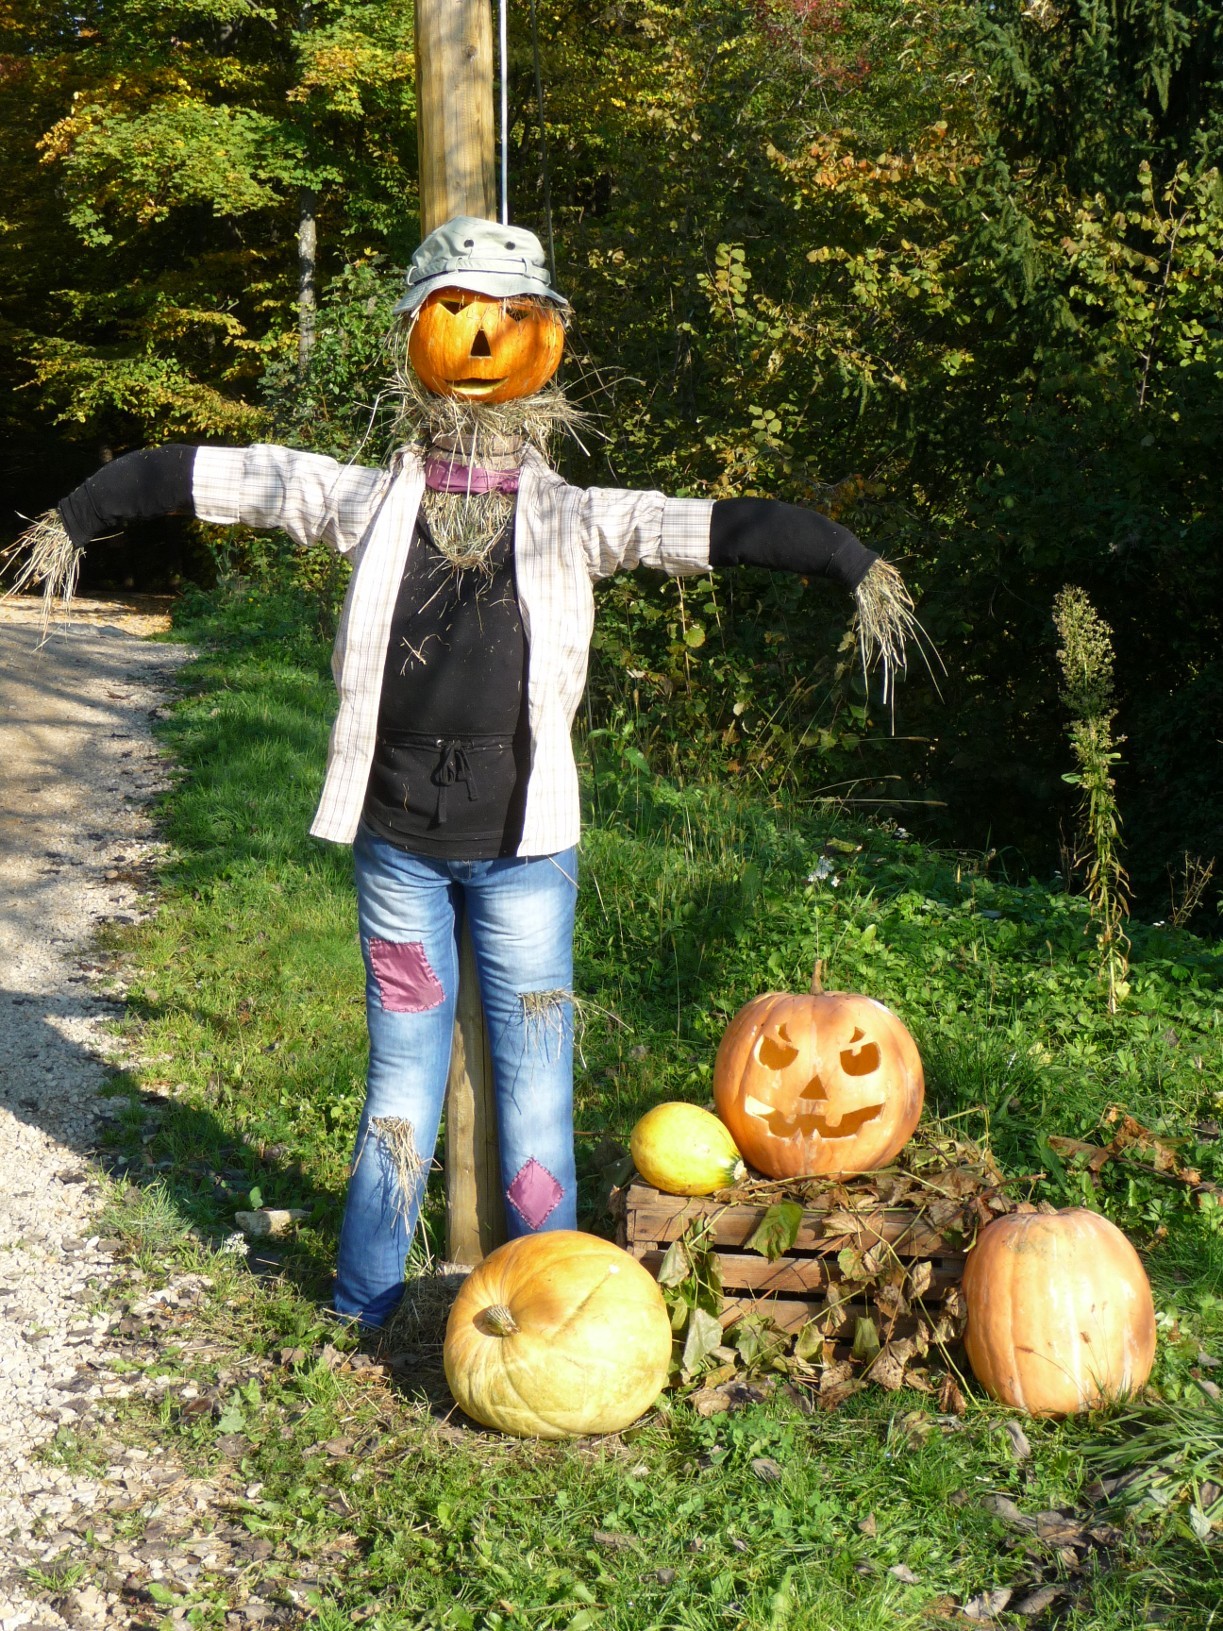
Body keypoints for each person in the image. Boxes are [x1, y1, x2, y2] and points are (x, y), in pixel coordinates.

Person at [20, 217, 915, 1328]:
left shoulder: (572, 520)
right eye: (455, 313)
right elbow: (214, 475)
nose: (483, 340)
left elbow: (712, 529)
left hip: (527, 850)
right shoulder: (364, 500)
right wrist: (79, 515)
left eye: (511, 317)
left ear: (547, 341)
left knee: (536, 1090)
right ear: (414, 332)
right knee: (399, 1087)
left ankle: (549, 1313)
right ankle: (365, 1303)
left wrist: (846, 560)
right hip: (398, 848)